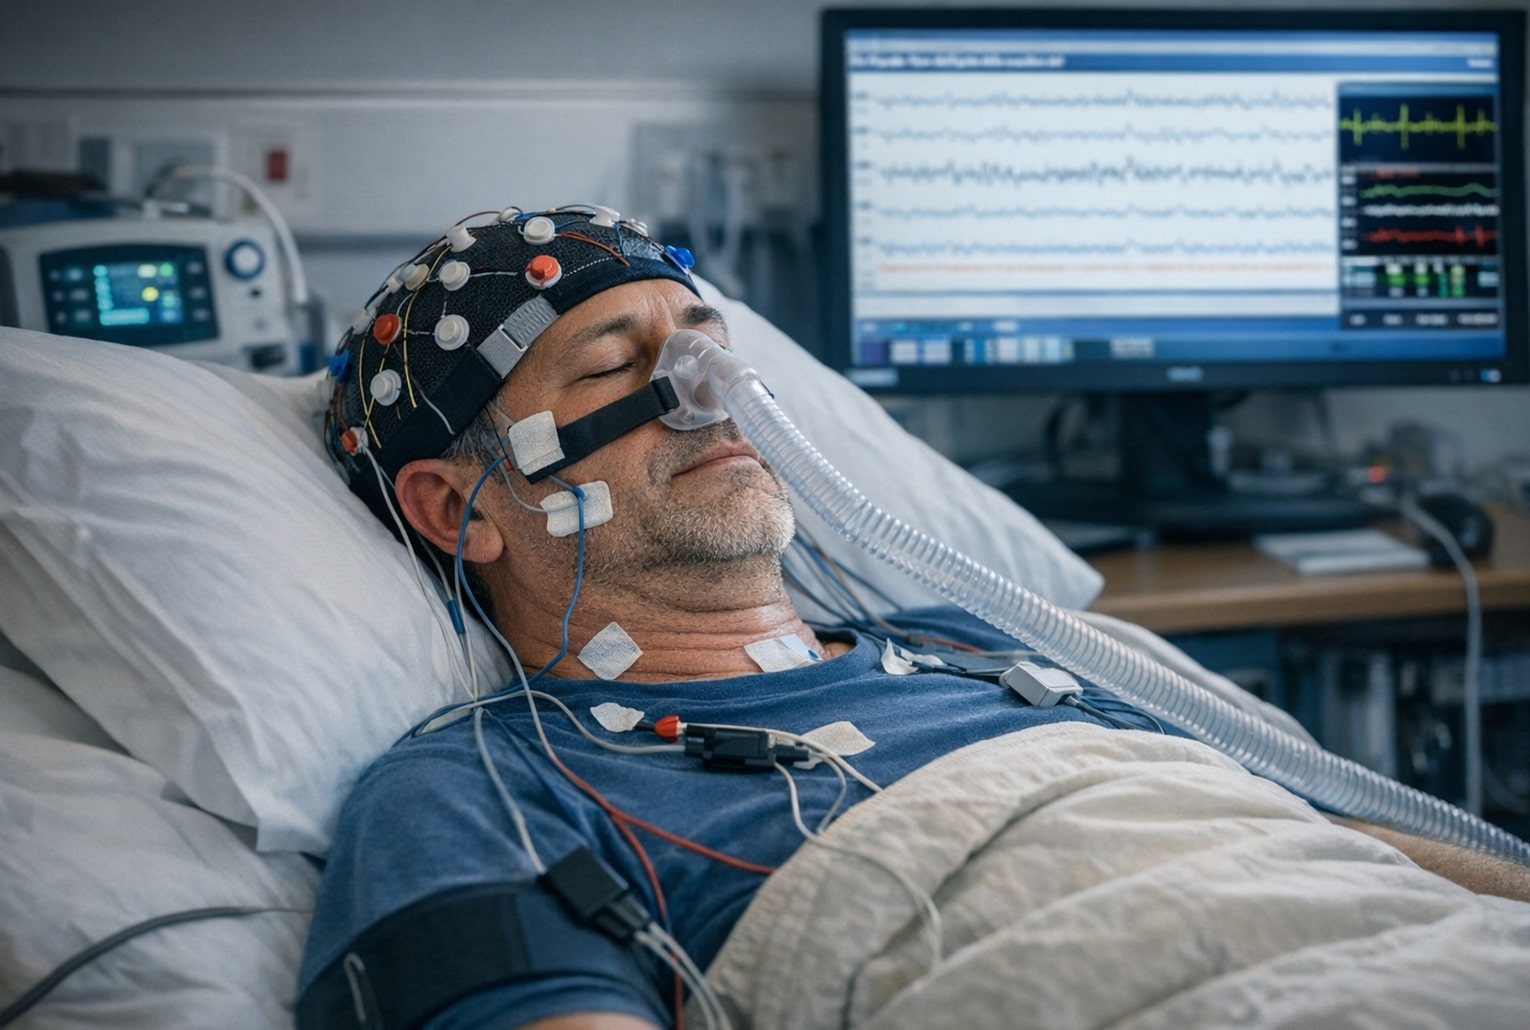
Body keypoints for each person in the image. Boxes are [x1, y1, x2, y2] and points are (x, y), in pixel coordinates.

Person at [297, 206, 1530, 1030]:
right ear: (461, 509)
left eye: (708, 346)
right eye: (619, 367)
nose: (705, 390)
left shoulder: (974, 648)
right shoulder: (481, 787)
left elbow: (1342, 847)